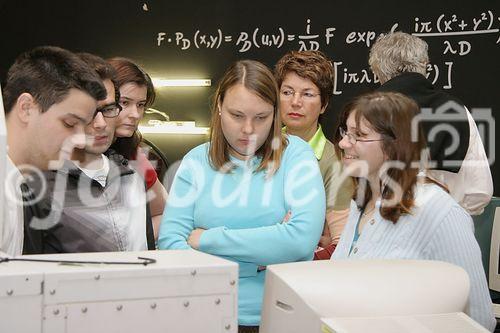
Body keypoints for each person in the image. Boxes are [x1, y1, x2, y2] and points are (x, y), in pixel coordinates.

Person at [158, 60, 325, 331]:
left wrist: (206, 238)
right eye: (237, 115)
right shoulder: (195, 161)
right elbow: (169, 244)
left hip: (279, 318)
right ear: (219, 107)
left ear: (275, 114)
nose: (248, 129)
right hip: (204, 316)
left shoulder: (296, 155)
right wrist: (260, 258)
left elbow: (300, 241)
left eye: (261, 118)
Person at [331, 91, 496, 331]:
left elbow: (478, 318)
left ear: (395, 144)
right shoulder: (361, 203)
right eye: (346, 132)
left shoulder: (440, 212)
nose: (344, 143)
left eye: (360, 135)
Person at [22, 53, 154, 253]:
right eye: (89, 111)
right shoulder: (36, 187)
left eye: (109, 108)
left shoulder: (132, 178)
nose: (101, 124)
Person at [369, 31, 492, 215]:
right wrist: (449, 216)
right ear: (424, 65)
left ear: (377, 71)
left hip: (385, 226)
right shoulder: (456, 110)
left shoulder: (366, 114)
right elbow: (480, 191)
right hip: (449, 230)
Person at [1, 46, 106, 256]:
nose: (79, 140)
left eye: (83, 127)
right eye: (69, 123)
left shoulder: (19, 185)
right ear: (26, 108)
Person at [275, 50, 354, 252]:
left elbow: (339, 243)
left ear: (324, 105)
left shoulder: (335, 162)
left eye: (307, 94)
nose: (295, 102)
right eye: (287, 92)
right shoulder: (260, 149)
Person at [108, 57, 167, 240]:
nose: (135, 114)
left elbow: (166, 212)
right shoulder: (69, 149)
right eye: (125, 103)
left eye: (140, 105)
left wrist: (131, 242)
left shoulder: (133, 155)